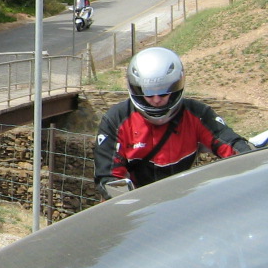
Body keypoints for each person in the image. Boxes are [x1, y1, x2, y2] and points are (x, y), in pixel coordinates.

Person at [93, 46, 251, 198]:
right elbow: (109, 178)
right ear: (136, 89)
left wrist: (250, 162)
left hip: (182, 198)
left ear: (176, 87)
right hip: (137, 202)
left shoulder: (197, 114)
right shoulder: (116, 120)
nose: (156, 100)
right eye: (148, 93)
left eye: (163, 92)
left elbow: (231, 145)